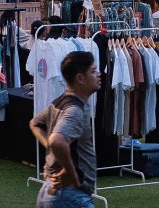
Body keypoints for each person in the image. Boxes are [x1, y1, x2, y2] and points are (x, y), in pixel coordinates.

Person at [30, 50, 101, 208]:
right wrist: (70, 172)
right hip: (70, 195)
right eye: (93, 71)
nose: (98, 74)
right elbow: (57, 141)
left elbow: (35, 124)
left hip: (52, 191)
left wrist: (52, 152)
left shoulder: (59, 102)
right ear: (80, 78)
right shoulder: (74, 110)